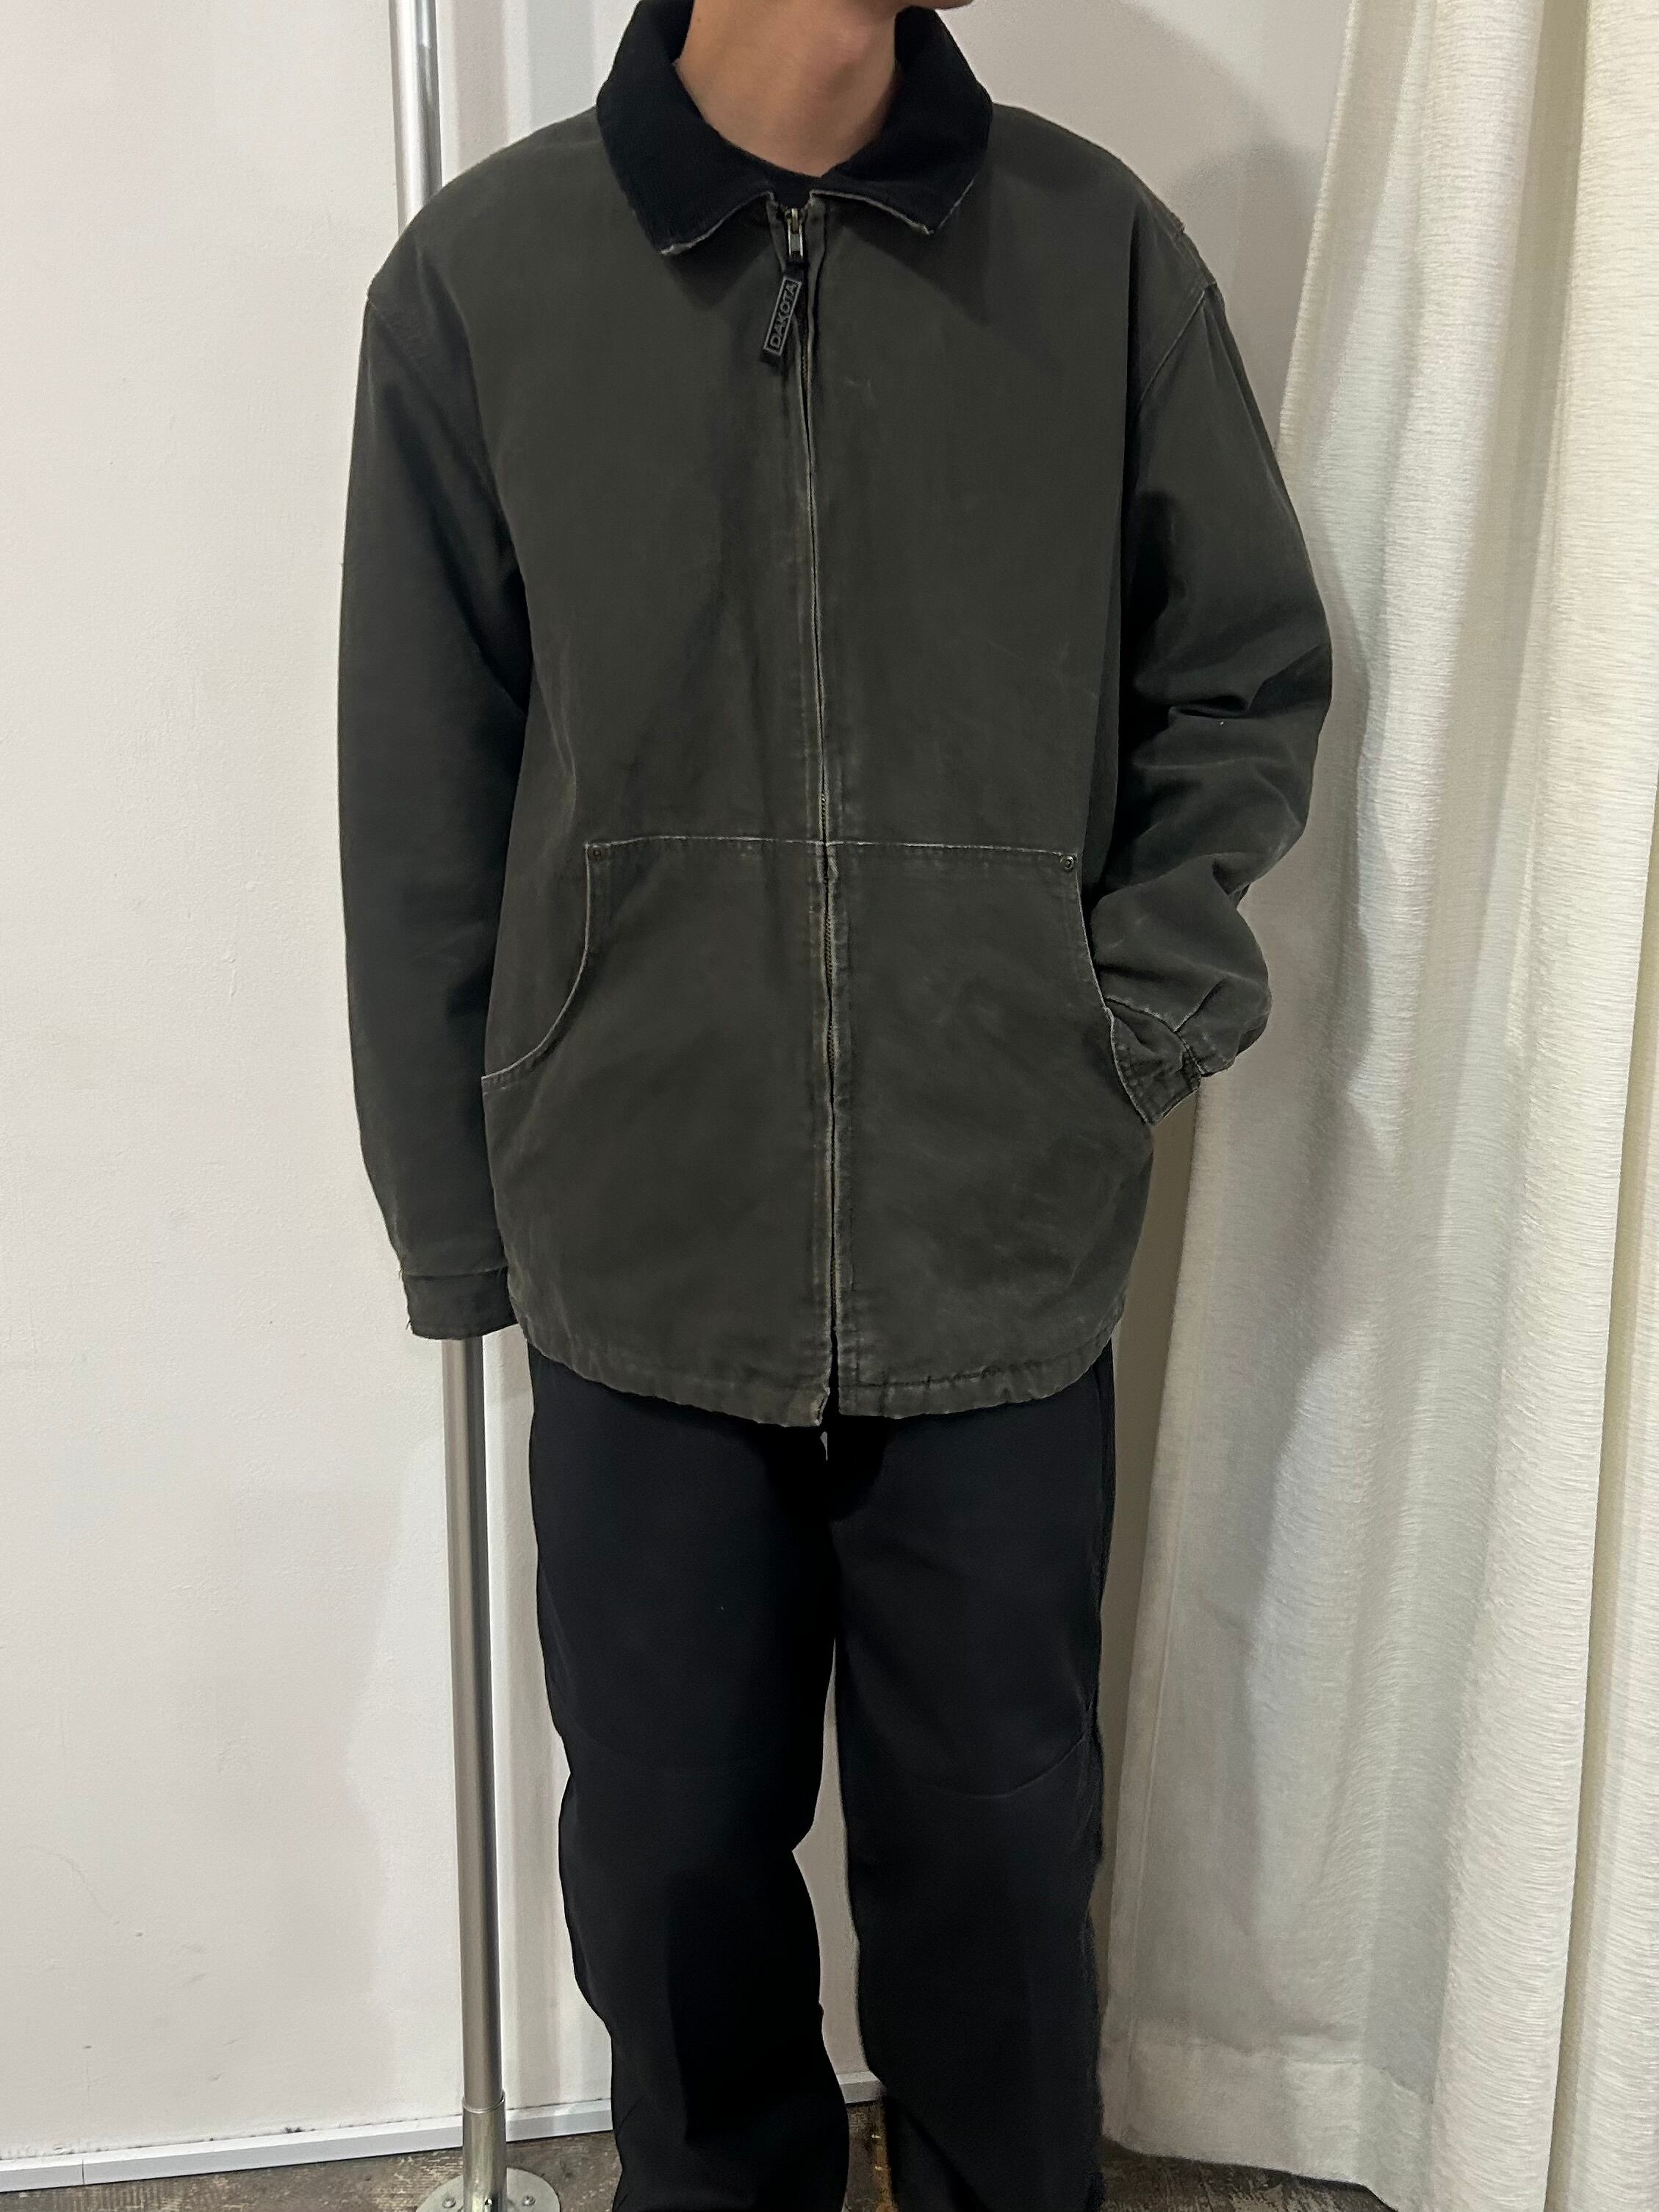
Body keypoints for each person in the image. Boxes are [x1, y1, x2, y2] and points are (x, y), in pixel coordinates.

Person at [336, 1, 1333, 2205]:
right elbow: (420, 795)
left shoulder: (1094, 252)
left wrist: (1118, 1023)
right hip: (638, 1231)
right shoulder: (486, 280)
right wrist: (455, 1213)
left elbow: (1244, 669)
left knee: (998, 1856)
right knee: (670, 1861)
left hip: (992, 1225)